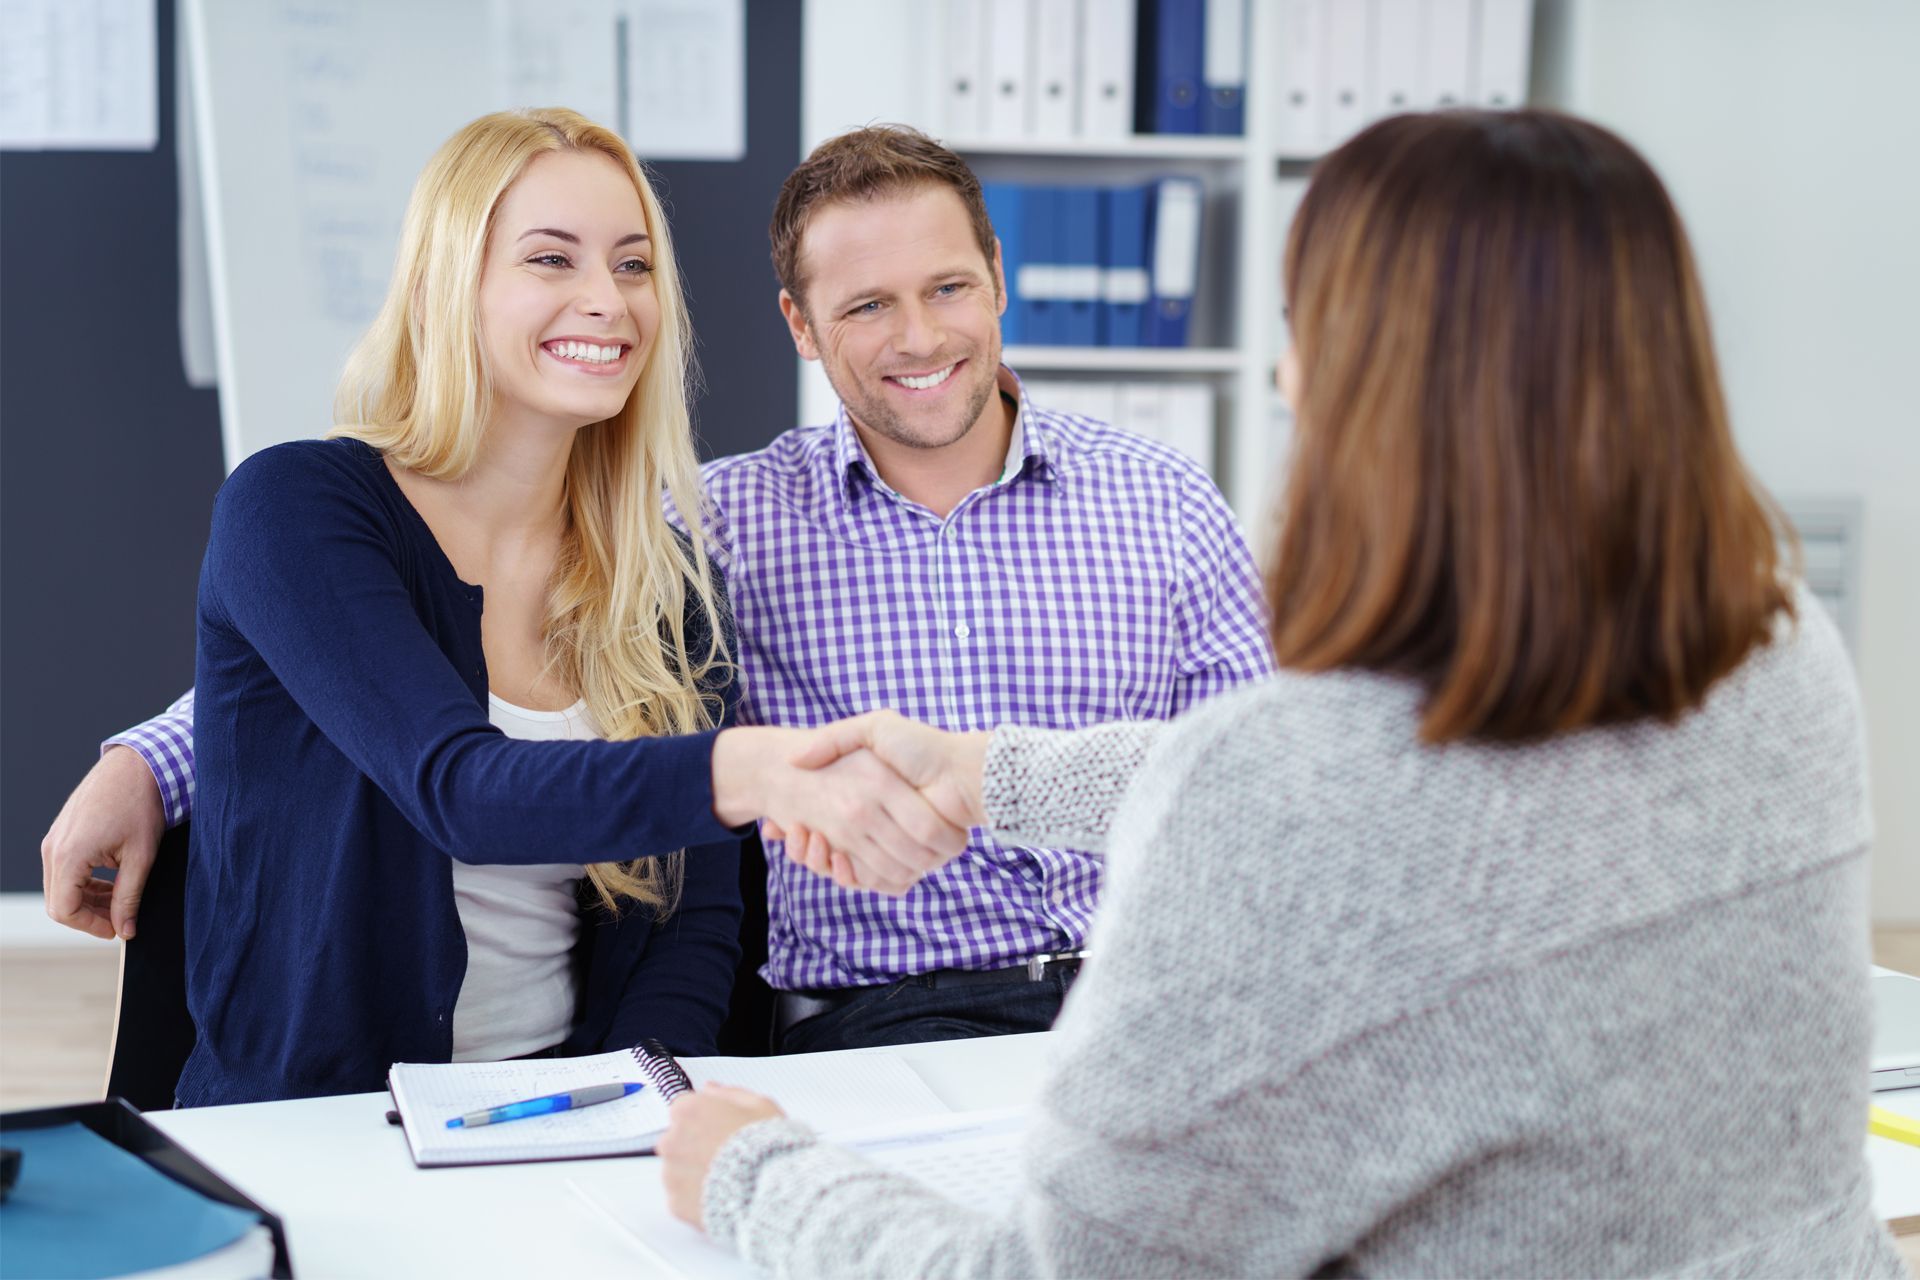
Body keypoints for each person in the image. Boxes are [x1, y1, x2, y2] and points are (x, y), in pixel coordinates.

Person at [654, 110, 1907, 1277]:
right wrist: (992, 773)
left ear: (1369, 373)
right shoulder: (1788, 657)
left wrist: (754, 1173)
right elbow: (1344, 778)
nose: (1284, 376)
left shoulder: (1275, 747)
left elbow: (1063, 1272)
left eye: (1305, 326)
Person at [43, 126, 1275, 1053]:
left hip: (1144, 1003)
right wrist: (153, 756)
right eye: (865, 305)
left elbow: (1272, 767)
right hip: (870, 1027)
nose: (919, 337)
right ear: (799, 324)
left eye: (948, 288)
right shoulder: (716, 523)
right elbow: (369, 683)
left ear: (999, 278)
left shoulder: (1164, 496)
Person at [144, 108, 962, 1107]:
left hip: (559, 1109)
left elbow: (693, 919)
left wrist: (617, 1102)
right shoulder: (298, 507)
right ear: (453, 284)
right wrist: (750, 767)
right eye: (550, 259)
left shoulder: (662, 577)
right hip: (320, 1116)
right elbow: (461, 787)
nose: (605, 302)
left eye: (631, 265)